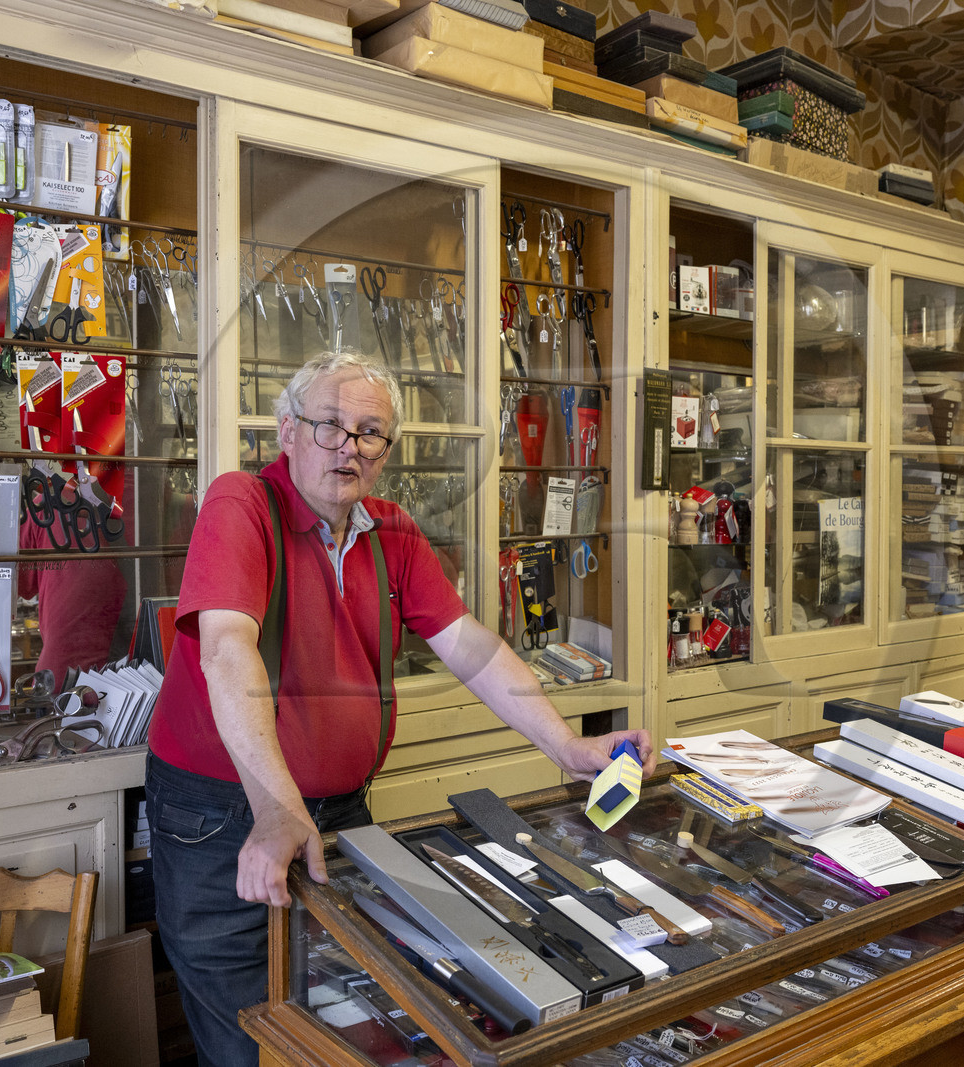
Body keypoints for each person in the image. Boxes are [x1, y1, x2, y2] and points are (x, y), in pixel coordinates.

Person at [144, 350, 655, 1066]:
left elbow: (471, 647)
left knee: (347, 1023)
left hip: (339, 810)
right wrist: (276, 807)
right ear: (287, 430)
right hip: (225, 814)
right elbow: (227, 651)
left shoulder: (392, 531)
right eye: (329, 425)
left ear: (386, 451)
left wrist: (567, 746)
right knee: (250, 1040)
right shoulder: (242, 505)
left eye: (369, 433)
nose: (348, 447)